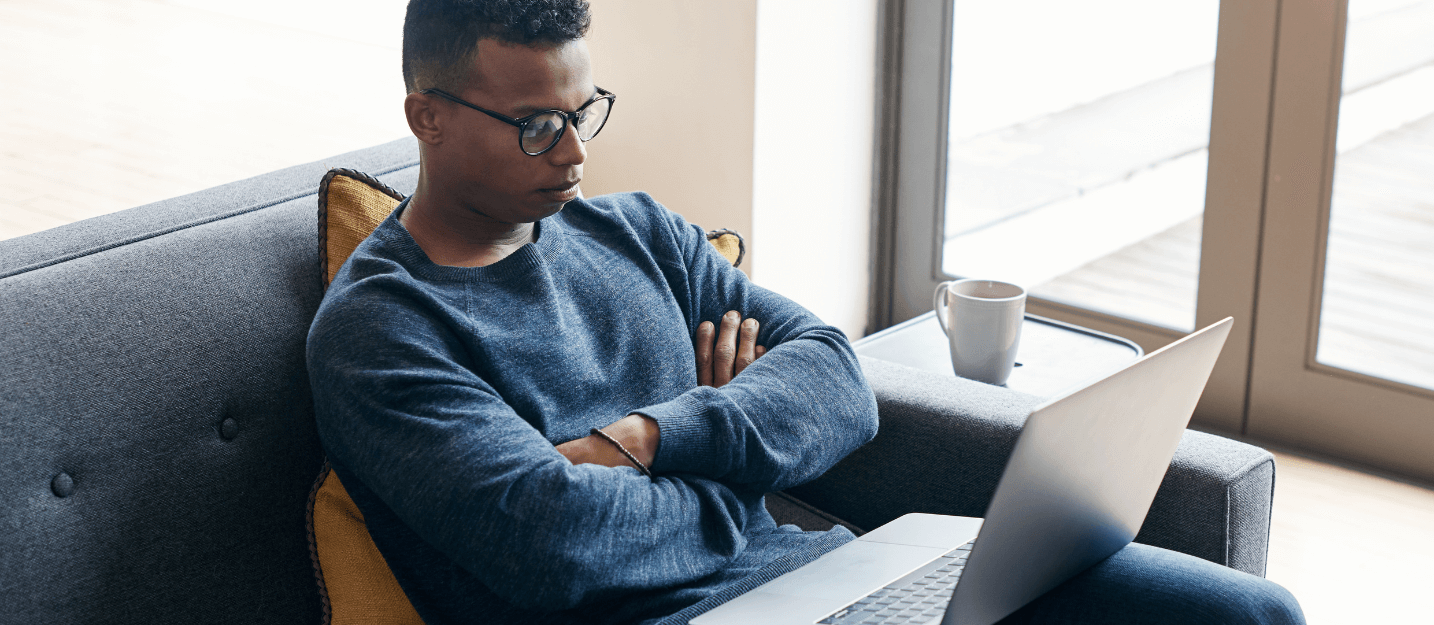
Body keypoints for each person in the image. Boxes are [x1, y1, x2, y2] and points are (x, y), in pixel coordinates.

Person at [305, 1, 1307, 624]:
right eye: (534, 127)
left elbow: (834, 378)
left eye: (581, 111)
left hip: (829, 573)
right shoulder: (381, 332)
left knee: (1251, 612)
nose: (571, 153)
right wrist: (743, 470)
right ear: (426, 117)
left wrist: (656, 432)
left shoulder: (637, 230)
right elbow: (555, 546)